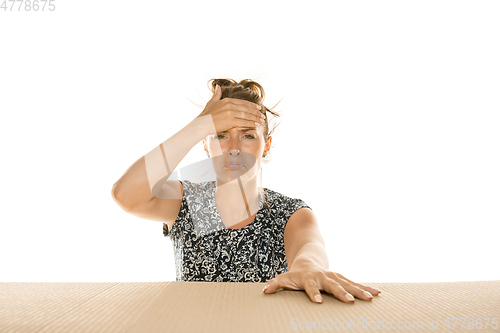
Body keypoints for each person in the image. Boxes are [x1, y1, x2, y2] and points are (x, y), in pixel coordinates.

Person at [111, 78, 381, 303]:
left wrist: (309, 268)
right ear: (206, 145)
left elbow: (310, 248)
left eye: (248, 135)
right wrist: (202, 124)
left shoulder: (290, 213)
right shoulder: (187, 201)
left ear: (267, 145)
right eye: (221, 135)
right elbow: (125, 194)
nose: (234, 147)